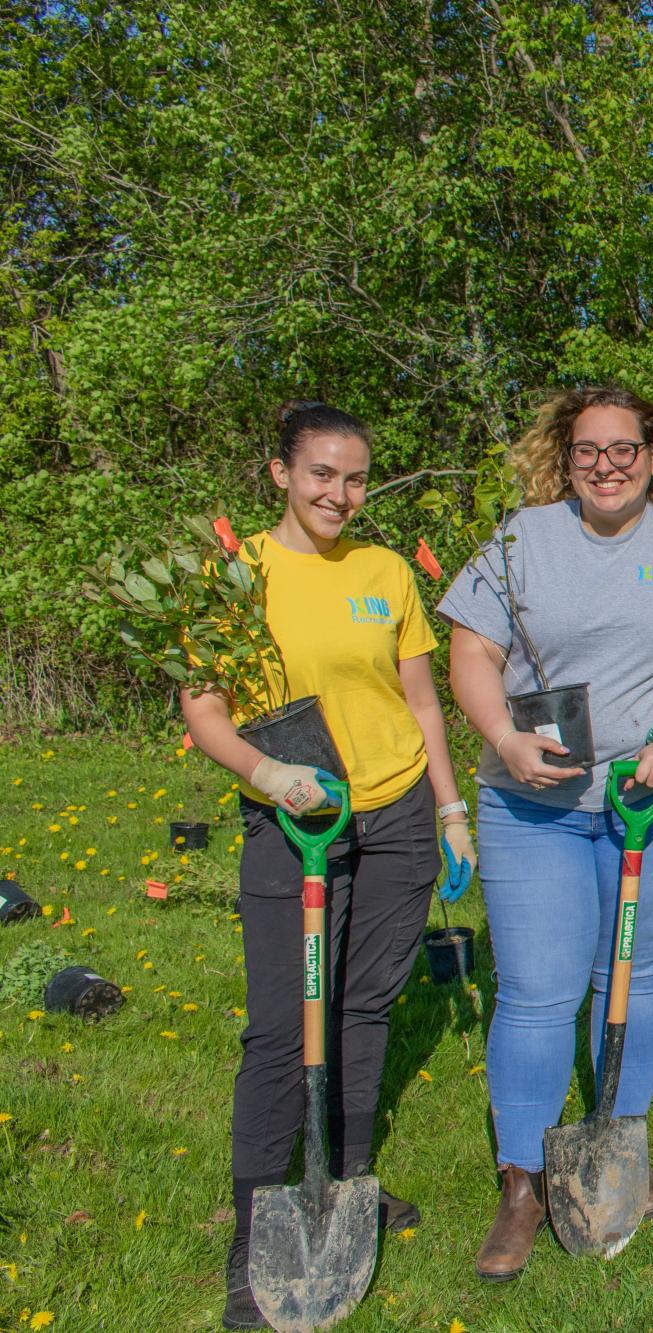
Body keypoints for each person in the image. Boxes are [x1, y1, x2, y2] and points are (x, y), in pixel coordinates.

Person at [440, 384, 653, 1281]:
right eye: (587, 451)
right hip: (531, 801)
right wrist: (504, 737)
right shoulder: (521, 541)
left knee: (637, 974)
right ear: (564, 458)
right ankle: (524, 1181)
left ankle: (617, 1143)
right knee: (539, 989)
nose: (606, 466)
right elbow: (472, 650)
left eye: (623, 450)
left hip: (651, 799)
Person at [182, 401, 471, 1330]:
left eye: (354, 479)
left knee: (363, 1007)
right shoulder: (234, 577)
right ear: (280, 473)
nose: (339, 494)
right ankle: (256, 1229)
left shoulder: (386, 572)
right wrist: (265, 774)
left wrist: (451, 811)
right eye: (320, 474)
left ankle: (343, 1182)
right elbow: (204, 708)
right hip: (296, 814)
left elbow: (420, 702)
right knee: (281, 1024)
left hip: (396, 811)